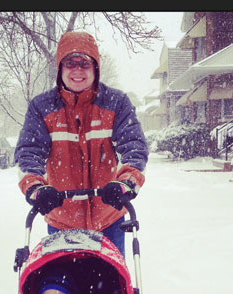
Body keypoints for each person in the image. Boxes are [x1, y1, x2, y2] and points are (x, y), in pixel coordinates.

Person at [14, 31, 148, 256]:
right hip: (62, 220)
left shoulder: (116, 103)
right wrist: (36, 188)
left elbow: (134, 147)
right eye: (70, 63)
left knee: (112, 285)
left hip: (109, 218)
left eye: (84, 63)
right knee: (63, 288)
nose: (77, 70)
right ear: (60, 69)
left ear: (95, 68)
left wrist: (125, 183)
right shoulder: (42, 108)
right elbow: (29, 153)